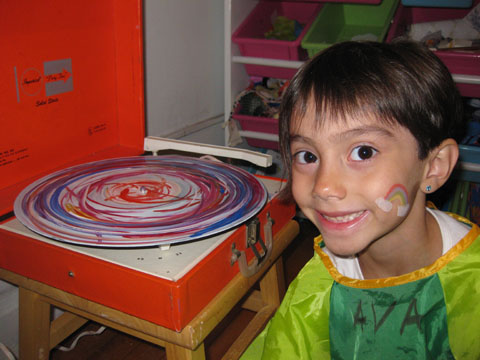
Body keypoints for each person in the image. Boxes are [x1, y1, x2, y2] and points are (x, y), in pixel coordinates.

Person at [241, 40, 480, 359]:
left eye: (363, 152)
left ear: (433, 167)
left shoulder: (472, 281)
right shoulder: (324, 279)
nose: (324, 187)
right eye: (308, 155)